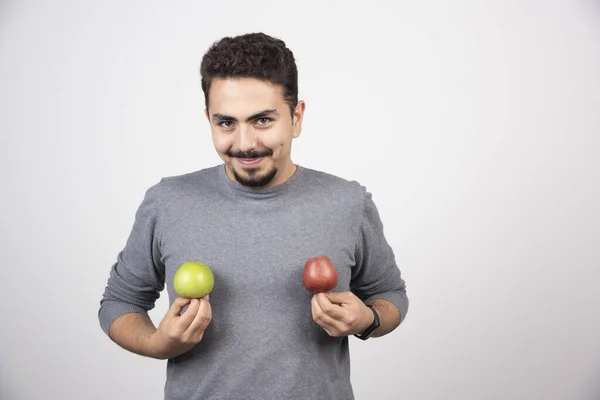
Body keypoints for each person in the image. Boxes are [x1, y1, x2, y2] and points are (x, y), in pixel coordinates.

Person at [98, 32, 409, 400]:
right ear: (208, 119)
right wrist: (158, 343)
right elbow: (120, 303)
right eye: (226, 123)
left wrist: (368, 320)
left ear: (296, 118)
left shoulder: (347, 202)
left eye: (262, 120)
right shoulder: (167, 202)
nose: (244, 143)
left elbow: (390, 294)